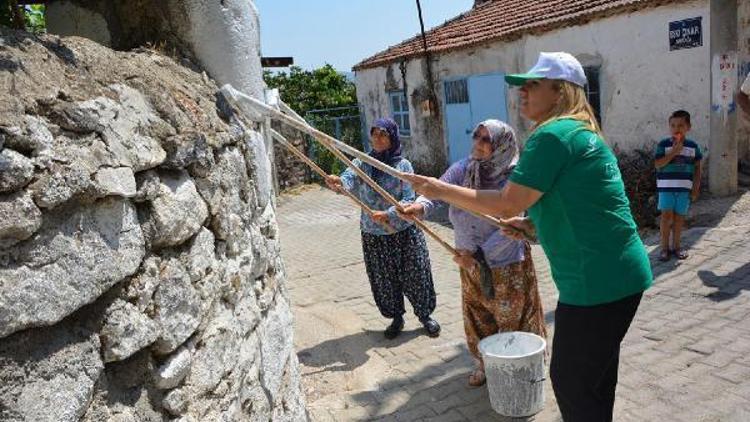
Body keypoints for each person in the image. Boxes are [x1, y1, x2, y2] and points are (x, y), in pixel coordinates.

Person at [403, 52, 652, 422]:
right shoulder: (580, 133)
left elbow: (505, 203)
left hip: (595, 282)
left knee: (572, 383)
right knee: (594, 380)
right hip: (620, 274)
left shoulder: (551, 136)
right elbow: (582, 208)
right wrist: (530, 226)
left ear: (560, 90)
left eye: (532, 85)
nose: (522, 92)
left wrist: (439, 190)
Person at [399, 119, 547, 387]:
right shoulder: (465, 168)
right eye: (476, 136)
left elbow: (510, 226)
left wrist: (477, 256)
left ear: (501, 145)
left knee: (509, 319)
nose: (477, 144)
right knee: (478, 315)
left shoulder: (516, 178)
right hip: (468, 263)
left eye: (485, 139)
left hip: (505, 265)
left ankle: (514, 368)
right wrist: (418, 207)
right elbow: (437, 190)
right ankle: (484, 363)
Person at [326, 118, 441, 339]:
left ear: (392, 137)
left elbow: (409, 199)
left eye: (383, 134)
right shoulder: (362, 162)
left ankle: (425, 315)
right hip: (374, 233)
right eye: (374, 134)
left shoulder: (402, 166)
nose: (377, 139)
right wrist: (338, 183)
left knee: (416, 273)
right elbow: (348, 180)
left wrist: (388, 214)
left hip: (404, 231)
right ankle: (396, 318)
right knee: (384, 278)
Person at [654, 110, 703, 261]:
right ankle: (664, 248)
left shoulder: (693, 147)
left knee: (679, 219)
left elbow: (698, 169)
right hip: (666, 188)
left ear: (688, 127)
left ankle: (676, 246)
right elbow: (658, 164)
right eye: (673, 125)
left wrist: (695, 188)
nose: (676, 128)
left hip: (684, 189)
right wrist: (674, 153)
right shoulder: (664, 145)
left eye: (681, 125)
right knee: (666, 218)